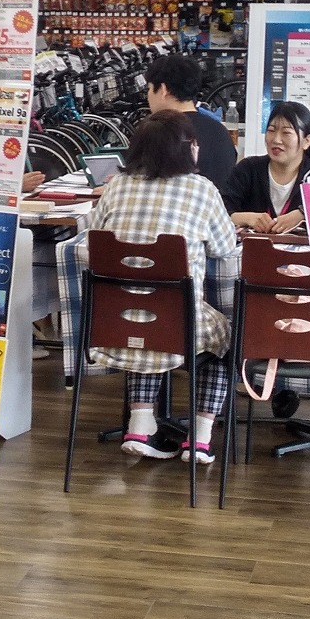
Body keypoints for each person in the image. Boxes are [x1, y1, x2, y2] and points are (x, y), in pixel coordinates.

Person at [83, 110, 236, 464]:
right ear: (185, 149)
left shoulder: (117, 187)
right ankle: (199, 438)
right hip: (177, 324)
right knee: (226, 339)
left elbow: (93, 233)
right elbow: (226, 248)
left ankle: (139, 427)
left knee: (141, 320)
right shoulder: (201, 190)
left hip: (114, 324)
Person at [220, 100, 310, 235]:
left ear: (307, 141)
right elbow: (219, 212)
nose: (276, 139)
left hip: (305, 255)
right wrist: (248, 218)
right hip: (255, 253)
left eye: (286, 133)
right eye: (271, 130)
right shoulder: (248, 169)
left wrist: (303, 214)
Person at [144, 54, 237, 189]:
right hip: (221, 208)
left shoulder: (161, 132)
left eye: (149, 89)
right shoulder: (220, 130)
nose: (148, 97)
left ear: (163, 90)